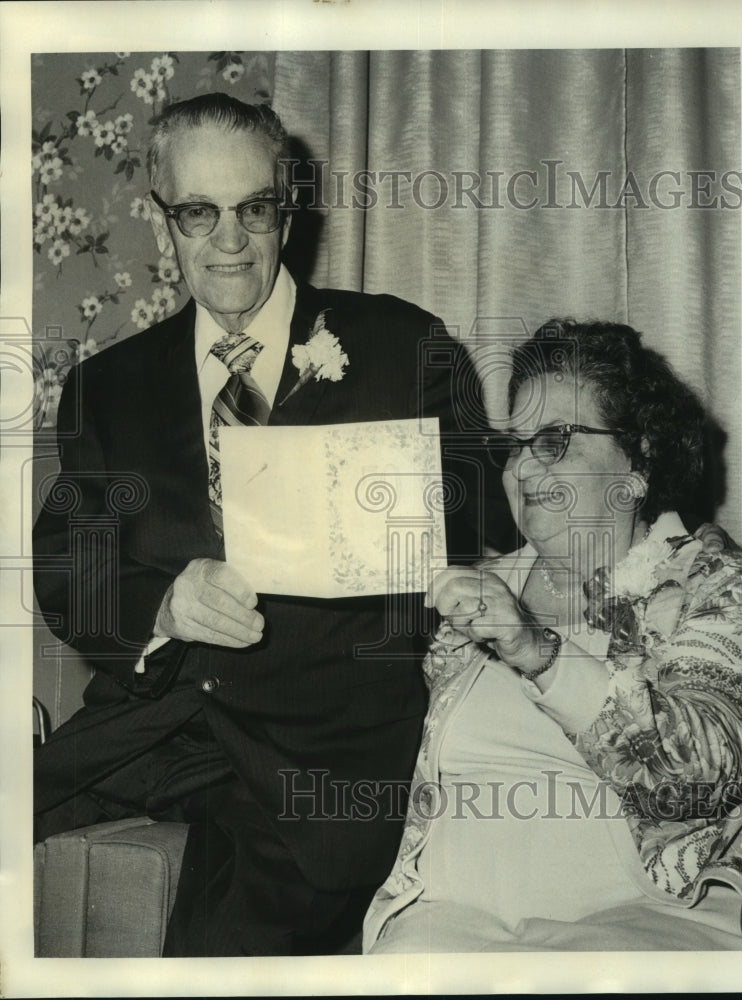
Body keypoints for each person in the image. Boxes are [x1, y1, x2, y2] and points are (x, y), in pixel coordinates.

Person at [32, 93, 502, 956]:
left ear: (286, 206)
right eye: (198, 213)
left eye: (254, 208)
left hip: (321, 751)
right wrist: (162, 607)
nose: (231, 240)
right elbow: (69, 573)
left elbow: (485, 519)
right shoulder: (108, 386)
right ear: (162, 217)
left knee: (217, 952)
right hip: (150, 727)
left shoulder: (404, 344)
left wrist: (385, 496)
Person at [364, 318, 742, 953]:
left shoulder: (710, 582)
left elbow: (700, 780)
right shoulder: (474, 588)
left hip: (637, 917)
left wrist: (538, 653)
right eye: (516, 445)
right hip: (450, 918)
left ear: (639, 458)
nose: (523, 468)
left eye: (555, 439)